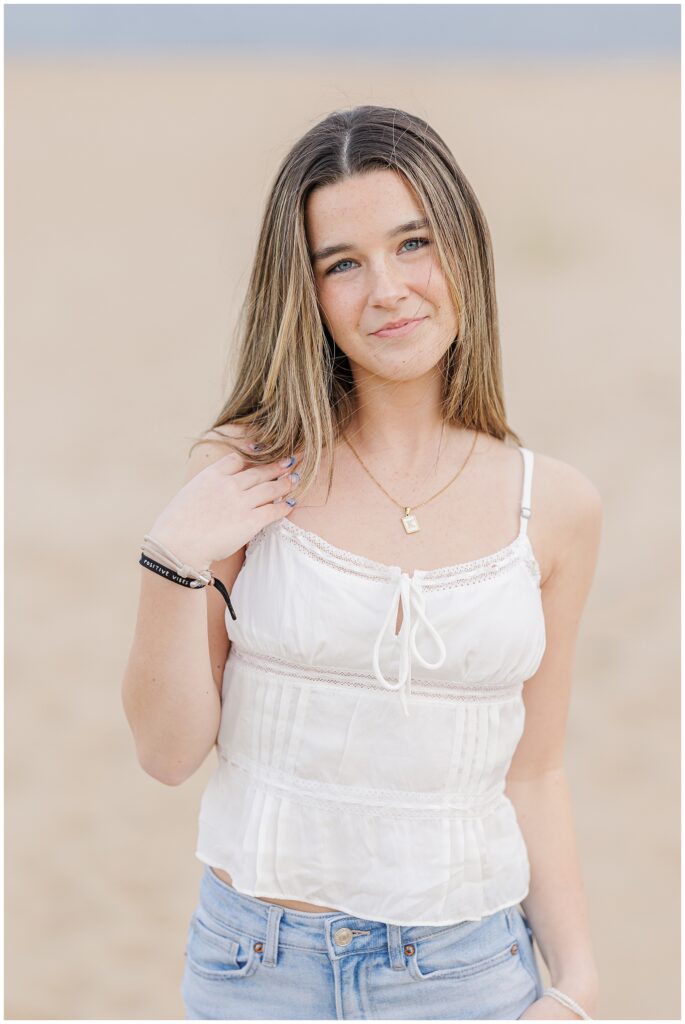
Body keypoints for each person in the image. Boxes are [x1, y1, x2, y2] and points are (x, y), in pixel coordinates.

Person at [122, 105, 602, 1021]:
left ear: (462, 250)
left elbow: (533, 771)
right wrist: (171, 557)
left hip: (470, 974)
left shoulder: (556, 508)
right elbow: (167, 751)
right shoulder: (245, 475)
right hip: (256, 969)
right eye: (341, 263)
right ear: (303, 291)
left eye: (412, 243)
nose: (387, 289)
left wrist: (576, 989)